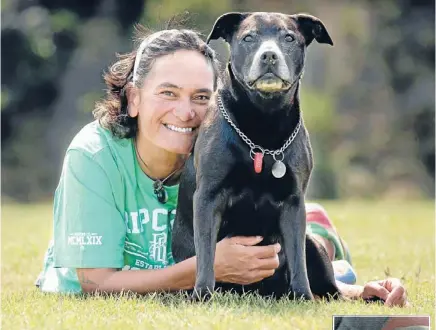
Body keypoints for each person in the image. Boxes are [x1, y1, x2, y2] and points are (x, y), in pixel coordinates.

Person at [35, 26, 409, 307]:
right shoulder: (93, 157)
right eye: (167, 93)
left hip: (266, 249)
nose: (186, 112)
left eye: (201, 97)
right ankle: (321, 226)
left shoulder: (215, 153)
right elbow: (96, 283)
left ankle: (321, 232)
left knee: (304, 229)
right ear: (133, 98)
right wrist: (210, 267)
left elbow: (268, 255)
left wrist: (356, 292)